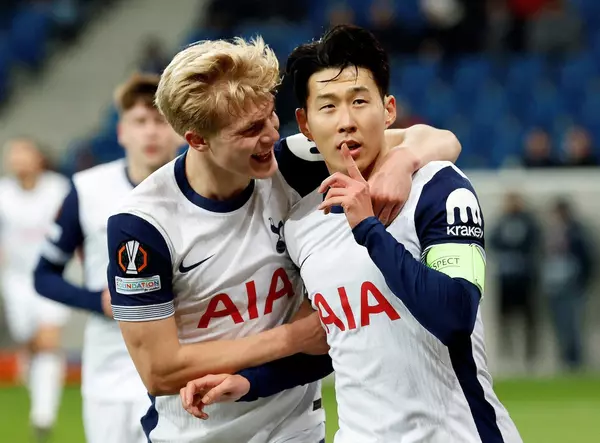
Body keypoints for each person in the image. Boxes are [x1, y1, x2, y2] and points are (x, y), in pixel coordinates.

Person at [105, 35, 462, 443]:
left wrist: (402, 162)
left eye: (271, 117)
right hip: (196, 431)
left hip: (297, 427)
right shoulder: (142, 224)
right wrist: (292, 337)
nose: (271, 135)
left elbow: (442, 139)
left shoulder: (290, 165)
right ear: (198, 140)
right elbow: (159, 370)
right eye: (251, 129)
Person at [181, 25, 523, 443]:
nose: (346, 122)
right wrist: (251, 382)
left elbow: (454, 317)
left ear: (389, 110)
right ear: (304, 124)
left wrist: (369, 228)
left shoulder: (439, 187)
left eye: (360, 101)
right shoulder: (302, 224)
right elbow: (338, 343)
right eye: (328, 107)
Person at [33, 73, 183, 443]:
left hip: (185, 365)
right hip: (110, 372)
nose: (151, 132)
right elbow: (43, 275)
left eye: (160, 120)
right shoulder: (87, 190)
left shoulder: (202, 186)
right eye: (140, 121)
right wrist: (97, 300)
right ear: (121, 132)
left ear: (180, 130)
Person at [0, 137, 70, 442]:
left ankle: (43, 414)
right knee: (29, 342)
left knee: (48, 338)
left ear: (39, 158)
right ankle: (30, 368)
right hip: (15, 280)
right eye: (12, 154)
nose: (17, 159)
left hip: (53, 275)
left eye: (23, 152)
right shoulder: (3, 193)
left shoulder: (58, 189)